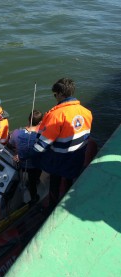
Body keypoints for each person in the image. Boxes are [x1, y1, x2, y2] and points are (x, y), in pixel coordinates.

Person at [33, 78, 93, 210]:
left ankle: (52, 206)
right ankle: (67, 197)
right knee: (69, 179)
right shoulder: (86, 112)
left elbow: (41, 145)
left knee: (55, 181)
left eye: (55, 95)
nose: (55, 97)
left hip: (60, 160)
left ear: (60, 94)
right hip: (77, 156)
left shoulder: (56, 115)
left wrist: (33, 148)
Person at [8, 110, 43, 204]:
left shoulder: (16, 133)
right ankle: (34, 197)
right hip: (35, 165)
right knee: (32, 183)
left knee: (20, 179)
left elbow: (10, 144)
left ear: (28, 119)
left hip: (21, 164)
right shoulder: (40, 136)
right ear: (40, 122)